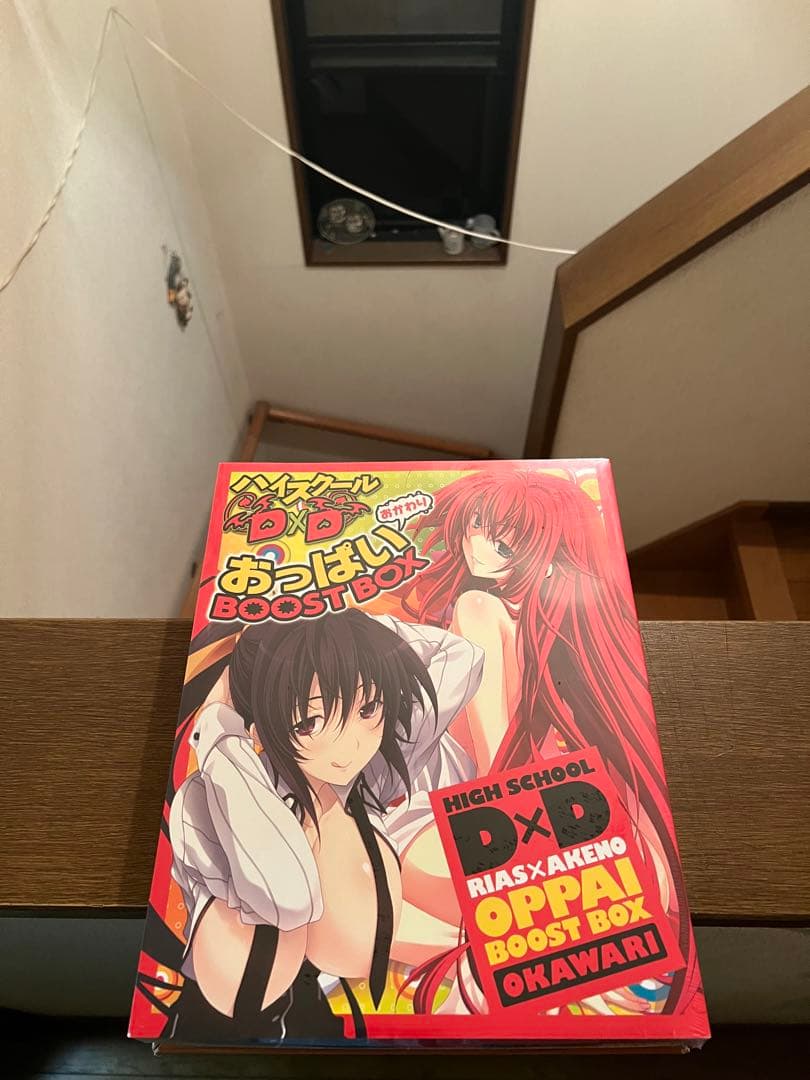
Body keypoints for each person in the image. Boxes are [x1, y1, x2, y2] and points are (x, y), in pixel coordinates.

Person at [396, 467, 697, 1017]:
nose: (477, 545)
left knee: (371, 891)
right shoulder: (567, 623)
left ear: (551, 548)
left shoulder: (485, 610)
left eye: (504, 538)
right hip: (558, 819)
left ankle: (517, 966)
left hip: (514, 816)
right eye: (476, 525)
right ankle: (562, 965)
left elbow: (498, 763)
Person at [166, 608, 482, 1041]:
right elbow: (288, 897)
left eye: (368, 707)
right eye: (310, 722)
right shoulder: (212, 794)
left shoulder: (368, 773)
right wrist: (220, 728)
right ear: (260, 726)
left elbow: (462, 657)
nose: (348, 747)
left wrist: (349, 633)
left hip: (338, 1006)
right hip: (226, 1028)